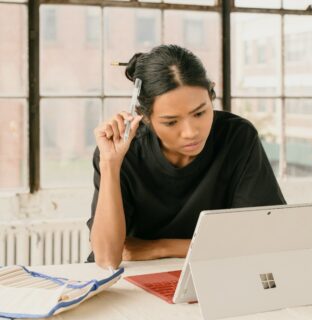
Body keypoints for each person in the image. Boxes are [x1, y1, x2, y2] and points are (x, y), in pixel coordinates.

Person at [87, 44, 286, 269]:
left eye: (200, 112)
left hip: (208, 272)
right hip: (133, 279)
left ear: (211, 92)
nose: (191, 132)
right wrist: (110, 164)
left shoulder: (237, 137)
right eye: (171, 121)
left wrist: (158, 248)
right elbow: (106, 259)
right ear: (144, 116)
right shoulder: (121, 151)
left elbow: (264, 238)